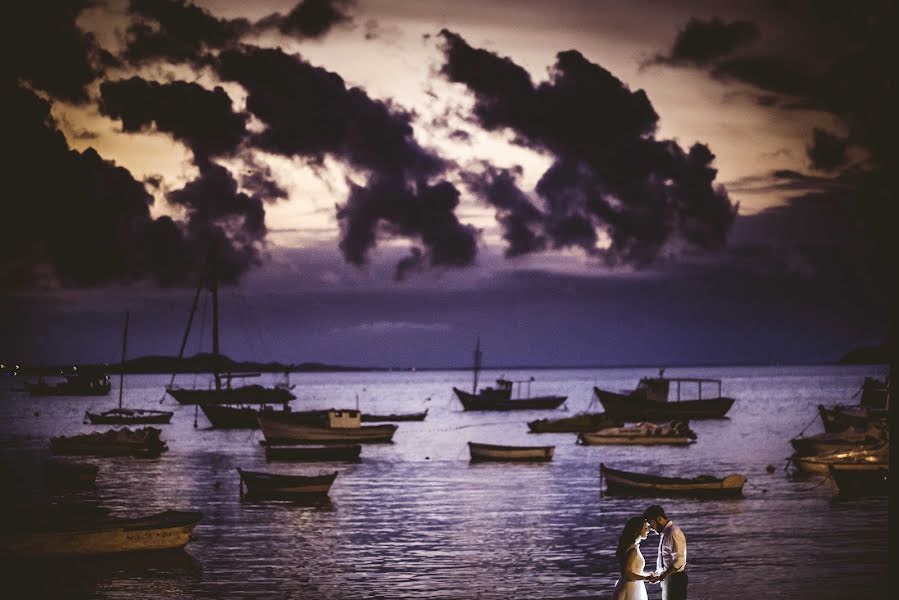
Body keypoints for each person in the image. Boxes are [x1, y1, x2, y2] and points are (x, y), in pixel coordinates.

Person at [643, 505, 687, 600]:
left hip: (675, 579)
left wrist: (662, 576)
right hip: (669, 577)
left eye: (652, 524)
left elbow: (679, 561)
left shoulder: (673, 532)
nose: (651, 528)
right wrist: (659, 575)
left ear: (659, 519)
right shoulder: (666, 533)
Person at [611, 516, 657, 600]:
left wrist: (647, 574)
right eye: (646, 528)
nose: (648, 530)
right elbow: (627, 574)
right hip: (631, 588)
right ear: (638, 530)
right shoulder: (633, 551)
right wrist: (646, 578)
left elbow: (634, 571)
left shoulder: (631, 547)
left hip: (632, 586)